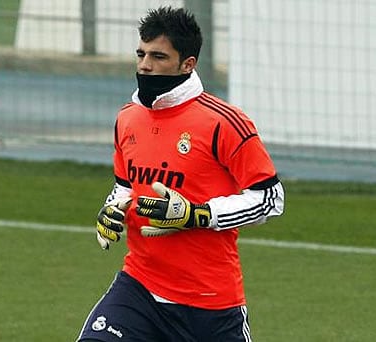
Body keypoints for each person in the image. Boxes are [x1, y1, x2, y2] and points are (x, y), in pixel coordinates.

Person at [77, 6, 285, 342]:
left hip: (209, 304)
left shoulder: (224, 123)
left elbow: (271, 199)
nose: (145, 65)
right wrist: (112, 210)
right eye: (141, 54)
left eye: (159, 56)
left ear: (188, 64)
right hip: (138, 289)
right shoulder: (128, 119)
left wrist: (198, 215)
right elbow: (124, 187)